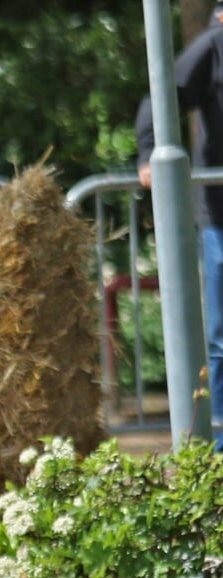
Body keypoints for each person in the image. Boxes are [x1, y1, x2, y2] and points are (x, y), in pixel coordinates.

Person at [136, 4, 223, 448]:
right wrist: (152, 151)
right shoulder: (213, 47)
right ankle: (219, 448)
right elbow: (161, 95)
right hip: (221, 217)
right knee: (222, 338)